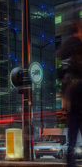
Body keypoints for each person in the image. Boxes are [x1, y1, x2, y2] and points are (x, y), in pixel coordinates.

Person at [57, 22, 82, 167]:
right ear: (77, 31)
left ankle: (70, 160)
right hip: (79, 90)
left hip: (69, 94)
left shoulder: (63, 49)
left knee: (72, 127)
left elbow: (61, 73)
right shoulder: (78, 45)